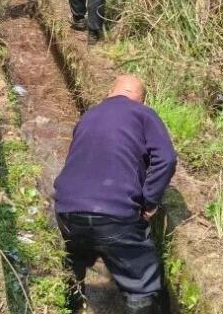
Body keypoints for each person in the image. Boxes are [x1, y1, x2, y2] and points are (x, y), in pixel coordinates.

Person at [53, 75, 177, 314]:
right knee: (142, 286)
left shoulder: (88, 115)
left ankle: (69, 306)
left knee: (72, 264)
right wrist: (149, 201)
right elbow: (167, 159)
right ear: (141, 99)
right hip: (115, 215)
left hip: (67, 211)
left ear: (110, 92)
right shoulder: (143, 113)